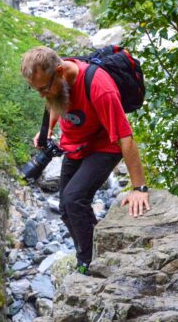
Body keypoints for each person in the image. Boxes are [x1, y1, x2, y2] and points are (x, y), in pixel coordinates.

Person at [21, 46, 151, 273]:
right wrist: (48, 130)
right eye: (36, 90)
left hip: (104, 147)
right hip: (76, 145)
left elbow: (125, 138)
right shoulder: (56, 83)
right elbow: (54, 99)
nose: (42, 95)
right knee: (65, 208)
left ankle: (88, 263)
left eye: (43, 88)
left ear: (60, 71)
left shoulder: (100, 87)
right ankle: (100, 244)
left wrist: (139, 188)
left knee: (74, 200)